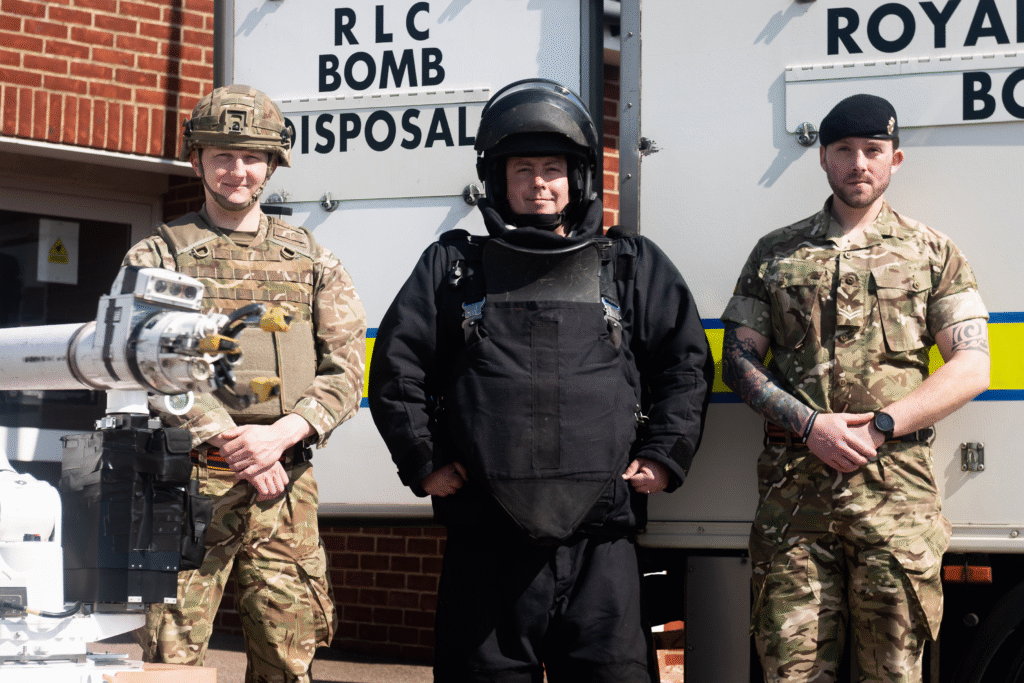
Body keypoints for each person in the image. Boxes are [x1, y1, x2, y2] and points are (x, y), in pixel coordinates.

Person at [368, 78, 714, 683]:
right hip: (486, 540)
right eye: (522, 169)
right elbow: (398, 368)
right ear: (497, 179)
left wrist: (666, 454)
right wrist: (425, 459)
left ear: (578, 178)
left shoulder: (628, 265)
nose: (538, 184)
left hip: (601, 541)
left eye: (552, 169)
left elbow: (684, 365)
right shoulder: (453, 268)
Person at [721, 94, 990, 682]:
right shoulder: (776, 253)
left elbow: (972, 365)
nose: (859, 164)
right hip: (794, 501)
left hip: (896, 503)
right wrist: (809, 424)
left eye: (873, 150)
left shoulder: (932, 252)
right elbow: (737, 361)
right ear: (823, 158)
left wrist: (883, 426)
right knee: (790, 674)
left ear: (895, 159)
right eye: (844, 150)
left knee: (893, 674)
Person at [123, 84, 366, 683]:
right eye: (223, 156)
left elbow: (346, 368)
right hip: (188, 483)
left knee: (288, 659)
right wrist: (235, 443)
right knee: (170, 661)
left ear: (272, 164)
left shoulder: (312, 260)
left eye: (252, 157)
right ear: (197, 161)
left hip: (285, 484)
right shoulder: (156, 257)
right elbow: (148, 361)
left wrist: (280, 436)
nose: (237, 170)